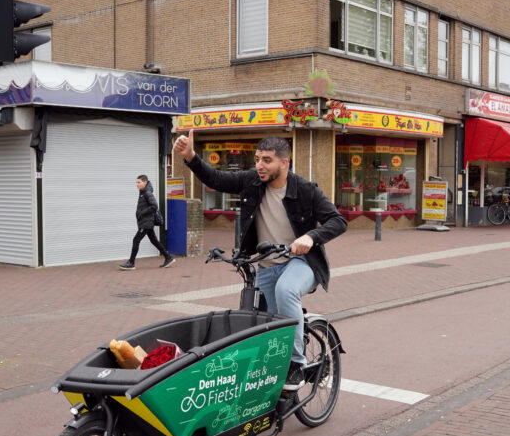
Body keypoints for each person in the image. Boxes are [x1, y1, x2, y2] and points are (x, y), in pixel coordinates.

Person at [173, 130, 347, 388]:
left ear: (284, 163)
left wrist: (311, 237)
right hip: (266, 264)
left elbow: (338, 221)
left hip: (301, 263)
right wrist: (191, 156)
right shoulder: (252, 181)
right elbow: (217, 179)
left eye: (267, 160)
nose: (259, 166)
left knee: (286, 290)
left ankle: (296, 363)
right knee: (264, 322)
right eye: (257, 159)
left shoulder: (306, 189)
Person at [119, 175, 174, 270]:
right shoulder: (143, 192)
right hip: (146, 222)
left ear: (145, 182)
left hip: (146, 222)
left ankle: (131, 263)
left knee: (136, 240)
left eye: (139, 182)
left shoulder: (147, 193)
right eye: (136, 182)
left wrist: (142, 213)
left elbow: (154, 206)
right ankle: (168, 257)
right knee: (154, 241)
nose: (137, 184)